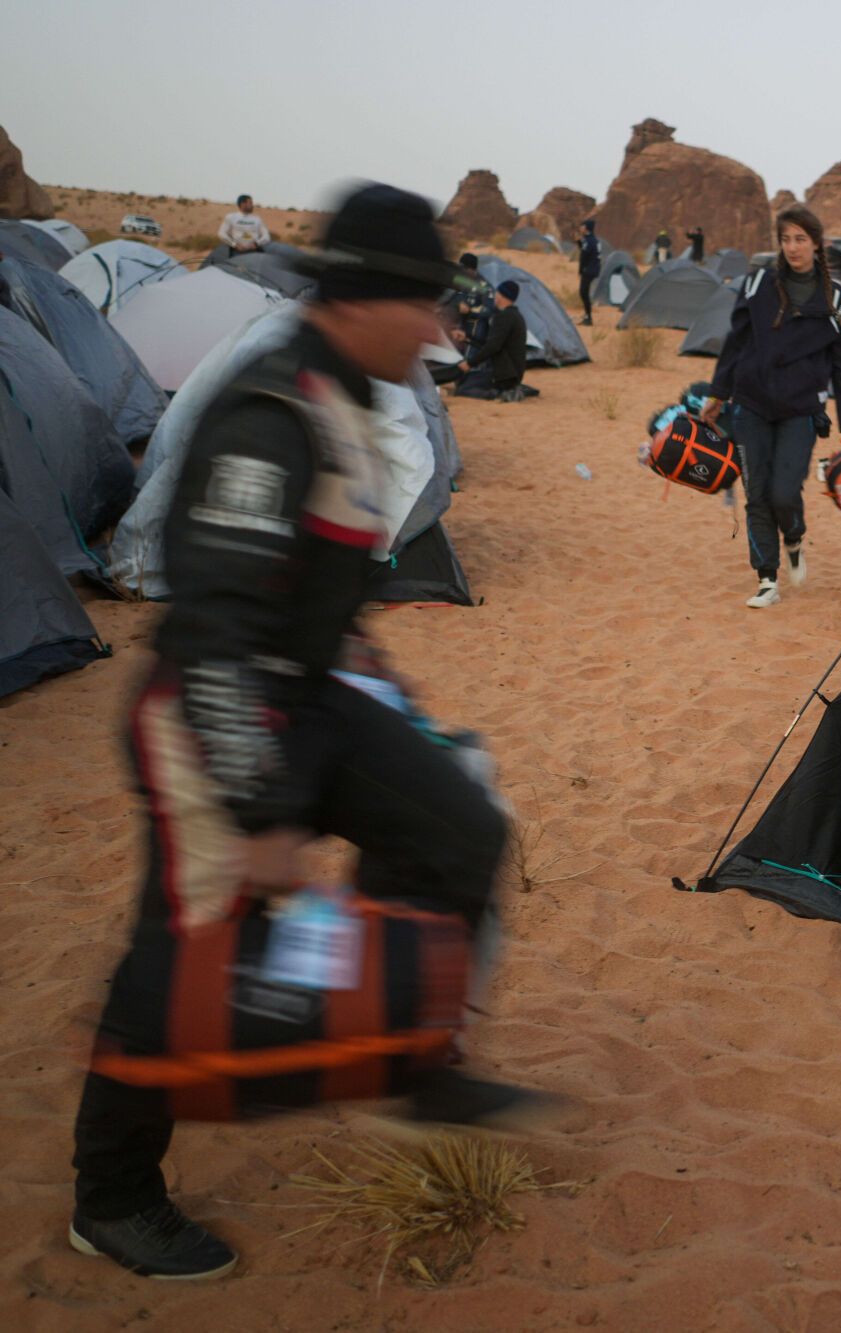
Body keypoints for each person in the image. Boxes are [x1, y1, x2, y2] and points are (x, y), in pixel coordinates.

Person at [67, 183, 535, 1283]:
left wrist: (363, 661)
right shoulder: (268, 414)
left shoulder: (348, 401)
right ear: (361, 298)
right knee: (175, 962)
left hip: (309, 695)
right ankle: (114, 1197)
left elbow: (308, 582)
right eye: (420, 304)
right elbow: (220, 627)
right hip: (211, 720)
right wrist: (262, 812)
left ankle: (415, 1062)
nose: (434, 328)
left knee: (458, 826)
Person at [703, 204, 841, 608]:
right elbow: (736, 341)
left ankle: (793, 538)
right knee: (756, 493)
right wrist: (717, 392)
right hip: (751, 403)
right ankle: (766, 579)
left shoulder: (836, 300)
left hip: (800, 409)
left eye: (801, 239)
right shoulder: (758, 284)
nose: (793, 248)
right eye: (786, 239)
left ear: (816, 244)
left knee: (784, 492)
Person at [460, 279, 527, 401]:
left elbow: (493, 347)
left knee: (463, 389)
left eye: (497, 293)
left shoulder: (504, 317)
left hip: (504, 376)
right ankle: (507, 390)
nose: (495, 296)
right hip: (512, 374)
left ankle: (498, 394)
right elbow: (492, 343)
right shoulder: (516, 315)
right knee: (467, 381)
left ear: (501, 296)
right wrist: (467, 338)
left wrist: (470, 363)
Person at [576, 218, 602, 326]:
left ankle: (588, 317)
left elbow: (584, 256)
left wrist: (581, 270)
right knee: (584, 292)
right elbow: (586, 249)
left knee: (583, 292)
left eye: (582, 226)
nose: (580, 228)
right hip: (594, 269)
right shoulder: (594, 240)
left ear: (586, 228)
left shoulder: (588, 241)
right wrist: (579, 242)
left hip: (588, 270)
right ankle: (587, 315)